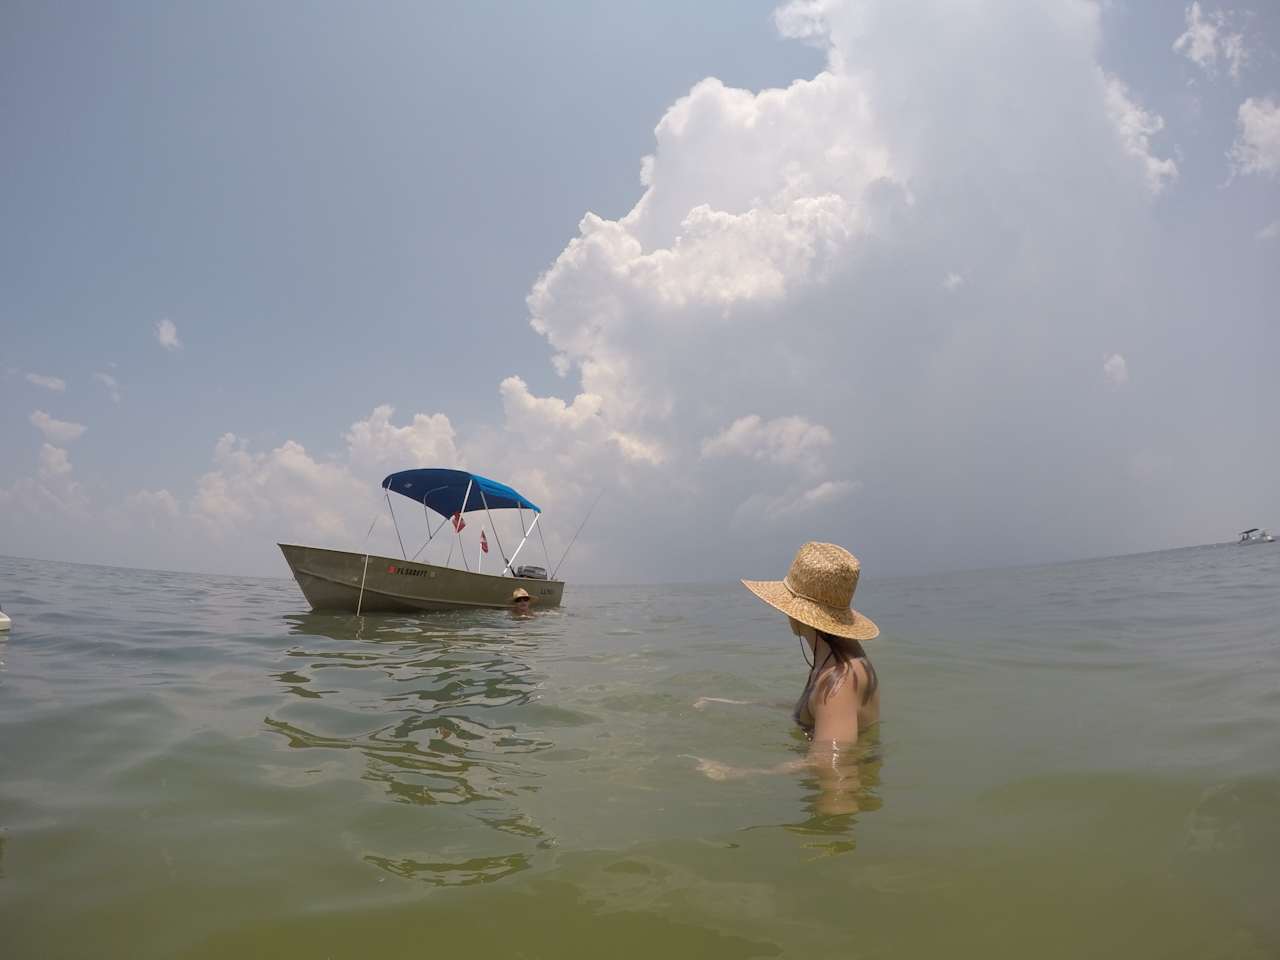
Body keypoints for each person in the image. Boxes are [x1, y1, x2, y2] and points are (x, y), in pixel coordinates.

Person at [742, 541, 880, 750]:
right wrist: (739, 705)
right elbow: (821, 712)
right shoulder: (841, 658)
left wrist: (738, 773)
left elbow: (831, 763)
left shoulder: (838, 682)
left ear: (799, 614)